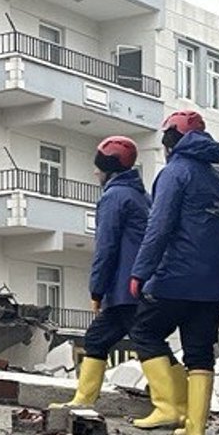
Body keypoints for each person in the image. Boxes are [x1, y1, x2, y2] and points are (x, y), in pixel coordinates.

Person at [126, 110, 219, 435]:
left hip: (175, 278)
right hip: (212, 285)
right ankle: (195, 429)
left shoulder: (174, 174)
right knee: (200, 354)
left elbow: (158, 228)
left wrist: (140, 271)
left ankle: (168, 407)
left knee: (144, 331)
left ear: (171, 141)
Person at [52, 136, 148, 409]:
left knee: (144, 344)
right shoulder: (141, 195)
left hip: (125, 289)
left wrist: (97, 289)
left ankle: (83, 400)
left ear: (110, 169)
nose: (95, 172)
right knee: (120, 340)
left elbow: (106, 248)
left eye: (98, 167)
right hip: (140, 286)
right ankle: (176, 406)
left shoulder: (114, 196)